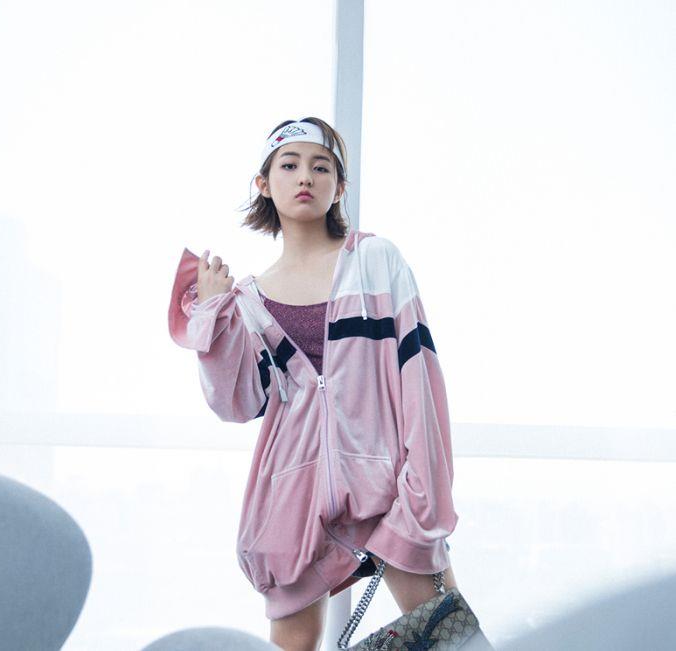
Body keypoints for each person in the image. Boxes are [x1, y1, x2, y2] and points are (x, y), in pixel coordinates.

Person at [168, 117, 488, 651]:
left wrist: (423, 487)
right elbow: (236, 403)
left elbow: (420, 378)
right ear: (263, 183)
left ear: (339, 187)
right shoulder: (247, 300)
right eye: (289, 165)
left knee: (452, 641)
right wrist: (214, 314)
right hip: (291, 502)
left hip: (388, 484)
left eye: (321, 168)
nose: (305, 177)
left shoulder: (375, 262)